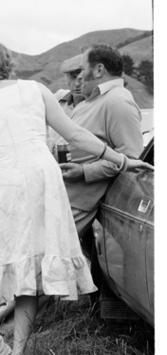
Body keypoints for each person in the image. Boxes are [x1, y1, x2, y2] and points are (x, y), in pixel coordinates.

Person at [0, 40, 152, 355]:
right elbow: (75, 134)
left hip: (0, 182)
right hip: (40, 180)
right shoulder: (36, 90)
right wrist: (122, 161)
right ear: (6, 61)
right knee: (30, 272)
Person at [60, 44, 144, 242]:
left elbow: (131, 157)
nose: (78, 77)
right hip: (62, 196)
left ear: (98, 70)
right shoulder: (92, 100)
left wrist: (84, 172)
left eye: (82, 69)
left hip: (76, 203)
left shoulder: (118, 102)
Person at [46, 54, 86, 158]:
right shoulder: (59, 97)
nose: (77, 83)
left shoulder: (98, 106)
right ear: (67, 79)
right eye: (73, 77)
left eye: (82, 78)